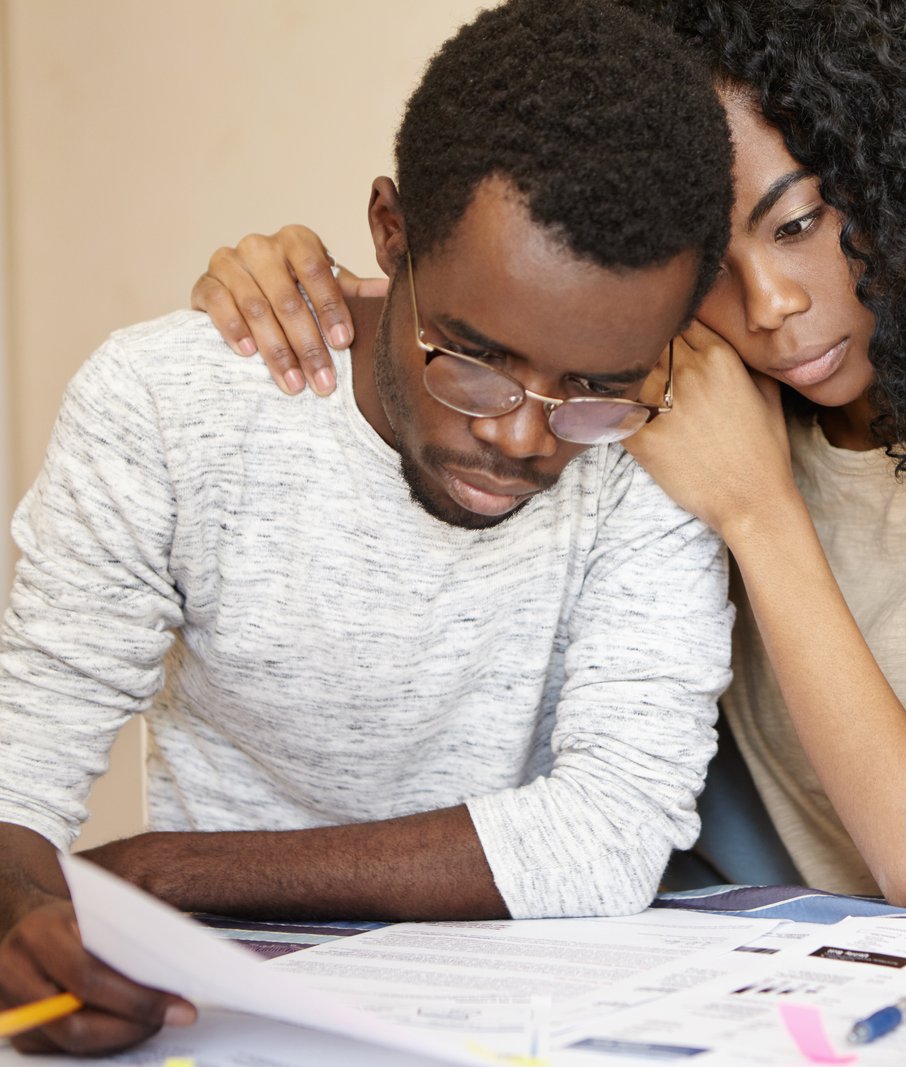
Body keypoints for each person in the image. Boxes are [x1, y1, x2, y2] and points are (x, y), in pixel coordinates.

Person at [191, 0, 906, 918]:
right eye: (707, 264)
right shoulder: (678, 379)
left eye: (800, 223)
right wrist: (294, 281)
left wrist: (759, 508)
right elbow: (485, 327)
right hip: (851, 966)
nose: (770, 306)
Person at [0, 1, 736, 1056]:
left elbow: (612, 829)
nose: (527, 438)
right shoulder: (166, 404)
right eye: (474, 357)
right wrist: (28, 922)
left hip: (533, 1021)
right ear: (390, 234)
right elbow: (18, 771)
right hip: (217, 1012)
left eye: (595, 386)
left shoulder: (654, 448)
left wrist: (170, 869)